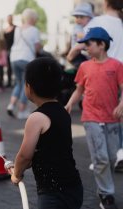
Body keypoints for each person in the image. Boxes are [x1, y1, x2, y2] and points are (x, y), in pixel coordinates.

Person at [7, 57, 83, 209]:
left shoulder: (36, 118)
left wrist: (16, 174)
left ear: (29, 87)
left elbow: (25, 155)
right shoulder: (62, 112)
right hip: (73, 188)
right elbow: (50, 149)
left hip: (54, 194)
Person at [65, 27, 123, 209]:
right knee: (101, 158)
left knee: (112, 156)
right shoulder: (84, 66)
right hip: (90, 117)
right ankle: (107, 194)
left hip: (112, 119)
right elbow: (79, 89)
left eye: (88, 44)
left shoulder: (116, 65)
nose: (85, 48)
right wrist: (69, 104)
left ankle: (104, 189)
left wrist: (121, 104)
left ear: (101, 44)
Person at [67, 0, 123, 172]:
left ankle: (103, 156)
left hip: (102, 72)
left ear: (106, 3)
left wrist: (71, 54)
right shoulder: (120, 22)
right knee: (116, 117)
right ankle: (117, 154)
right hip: (118, 71)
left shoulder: (97, 22)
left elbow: (84, 43)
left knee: (100, 117)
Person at [6, 8, 42, 120]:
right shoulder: (34, 30)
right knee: (27, 85)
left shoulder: (18, 29)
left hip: (14, 58)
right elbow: (37, 48)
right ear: (32, 18)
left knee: (19, 83)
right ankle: (22, 110)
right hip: (26, 58)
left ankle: (11, 105)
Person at [67, 2, 94, 69]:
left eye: (81, 17)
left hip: (82, 53)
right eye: (76, 17)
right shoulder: (78, 27)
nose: (78, 19)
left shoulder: (88, 27)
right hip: (77, 55)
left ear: (89, 18)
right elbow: (80, 40)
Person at [4, 14, 16, 88]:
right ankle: (9, 81)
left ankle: (15, 81)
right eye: (8, 19)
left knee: (13, 66)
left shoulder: (16, 28)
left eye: (10, 18)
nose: (9, 20)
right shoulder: (6, 29)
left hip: (14, 50)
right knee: (8, 67)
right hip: (7, 50)